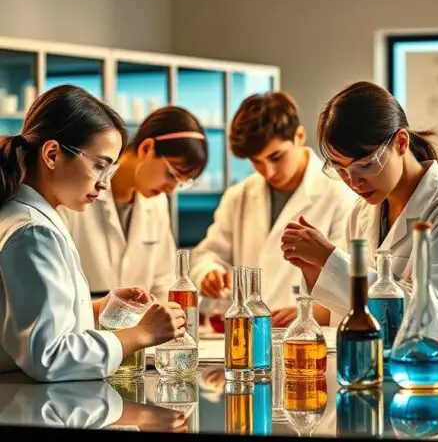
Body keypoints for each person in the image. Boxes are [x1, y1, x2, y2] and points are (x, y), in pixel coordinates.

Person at [0, 85, 185, 382]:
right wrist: (141, 334)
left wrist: (98, 308)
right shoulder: (33, 231)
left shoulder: (32, 218)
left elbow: (26, 320)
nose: (104, 184)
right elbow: (50, 357)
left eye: (109, 171)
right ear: (52, 154)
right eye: (100, 166)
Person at [278, 81, 438, 319]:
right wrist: (317, 272)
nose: (354, 182)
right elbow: (354, 312)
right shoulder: (360, 213)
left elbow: (425, 315)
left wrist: (329, 258)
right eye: (341, 169)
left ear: (401, 143)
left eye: (366, 165)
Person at [188, 92, 356, 326]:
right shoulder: (239, 195)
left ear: (299, 136)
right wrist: (209, 272)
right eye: (256, 161)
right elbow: (208, 254)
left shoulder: (340, 194)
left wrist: (310, 313)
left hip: (310, 333)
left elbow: (347, 279)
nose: (267, 171)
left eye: (276, 157)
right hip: (250, 332)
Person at [61, 107, 208, 302]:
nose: (171, 190)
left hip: (141, 321)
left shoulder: (157, 203)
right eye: (172, 175)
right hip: (82, 318)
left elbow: (163, 281)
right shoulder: (80, 190)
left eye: (181, 182)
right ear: (146, 148)